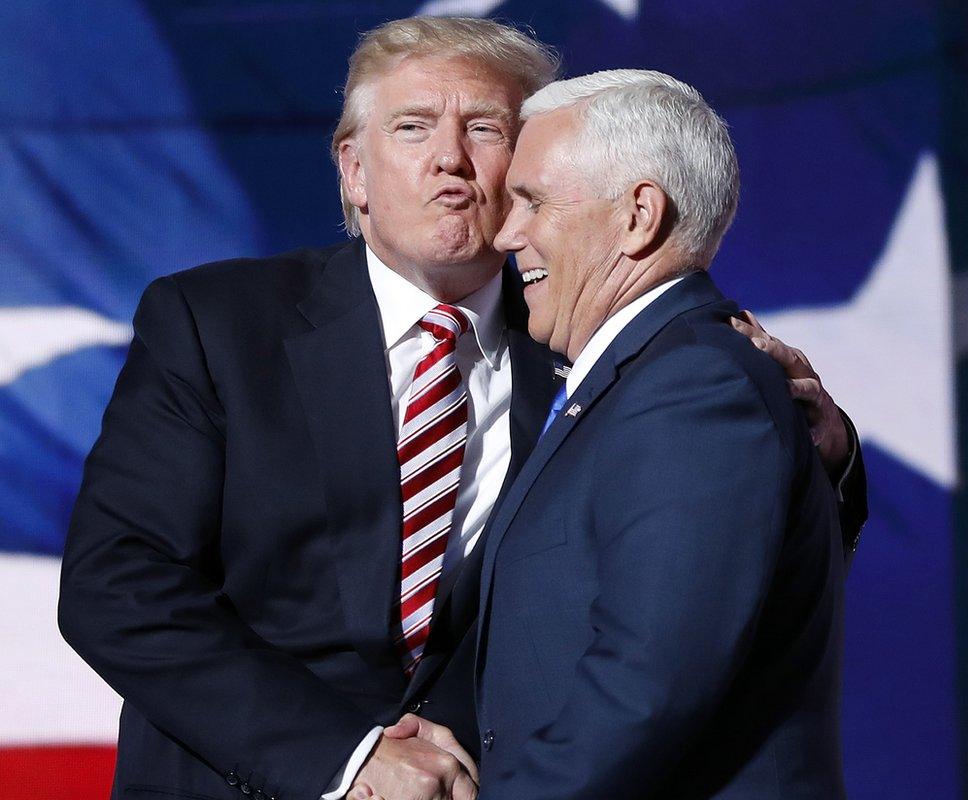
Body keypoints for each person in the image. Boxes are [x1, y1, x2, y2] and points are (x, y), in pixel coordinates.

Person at [58, 18, 863, 800]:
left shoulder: (610, 354)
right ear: (354, 172)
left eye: (485, 129)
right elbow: (115, 585)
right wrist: (347, 760)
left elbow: (694, 570)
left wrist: (825, 461)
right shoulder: (215, 325)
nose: (450, 160)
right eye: (412, 128)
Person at [441, 69, 847, 798]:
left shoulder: (691, 387)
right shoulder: (633, 384)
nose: (506, 233)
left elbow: (646, 686)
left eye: (531, 200)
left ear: (638, 216)